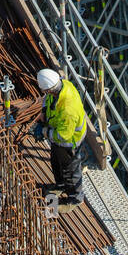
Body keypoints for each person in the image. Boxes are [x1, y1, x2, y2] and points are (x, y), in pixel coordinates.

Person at [33, 68, 87, 205]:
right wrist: (44, 113)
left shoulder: (68, 109)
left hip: (70, 141)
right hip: (59, 133)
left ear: (50, 89)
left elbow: (63, 136)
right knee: (56, 162)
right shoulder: (61, 86)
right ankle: (61, 185)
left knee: (70, 170)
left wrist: (45, 132)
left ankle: (75, 198)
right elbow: (47, 99)